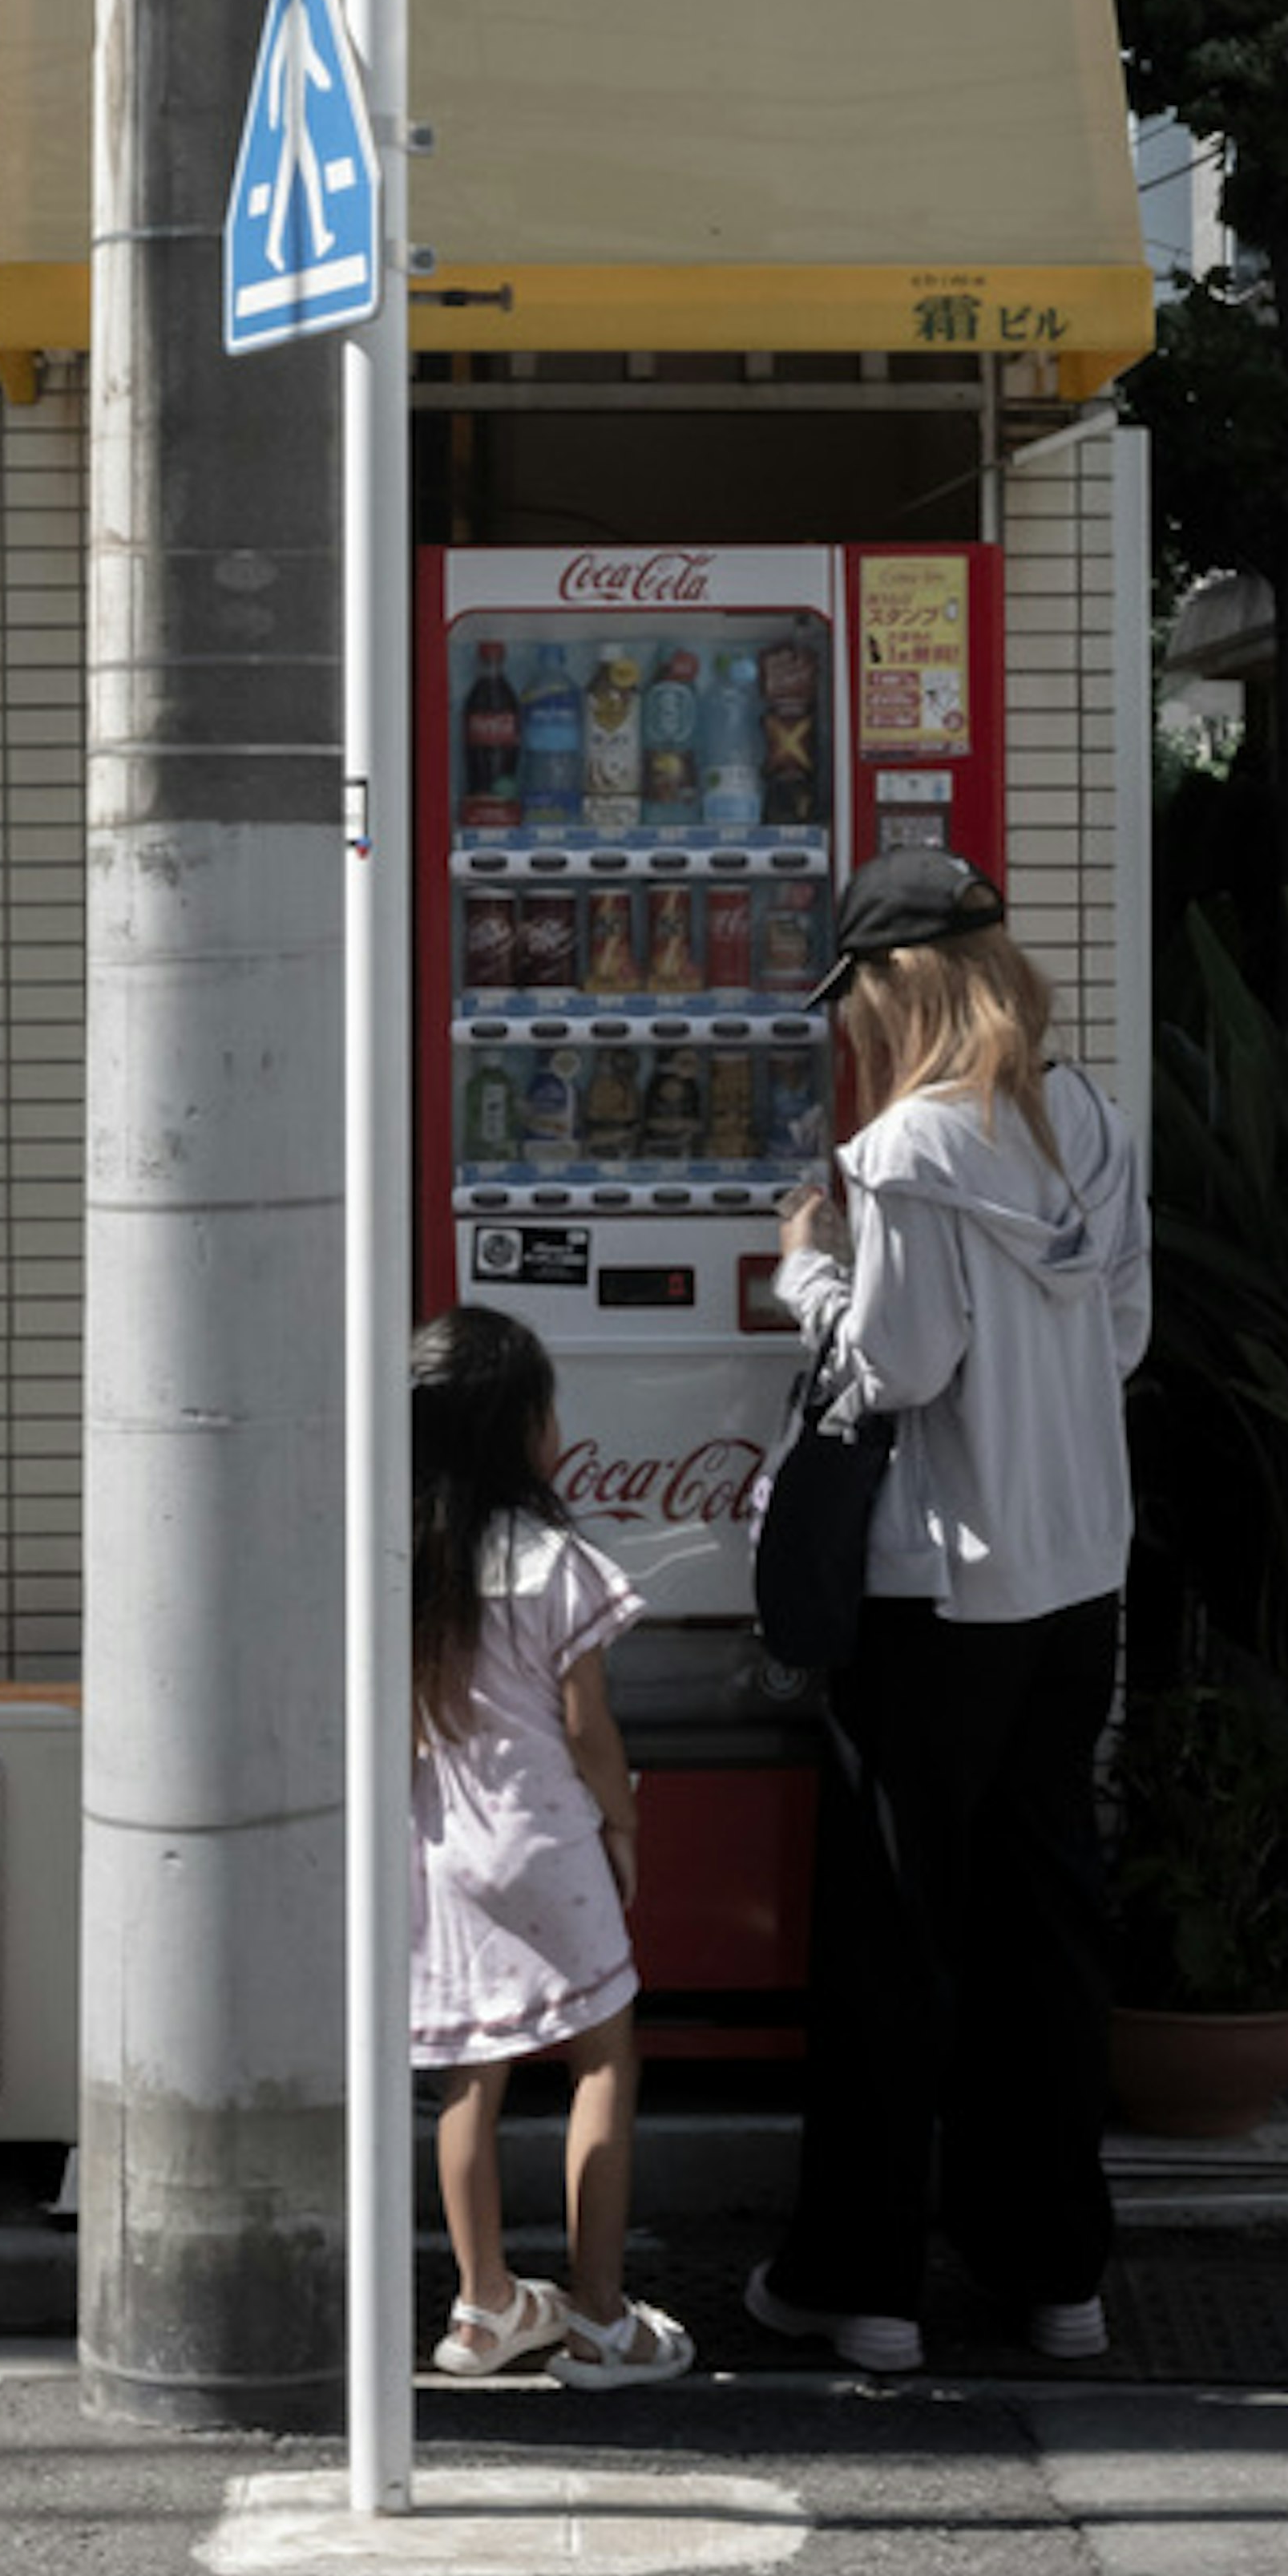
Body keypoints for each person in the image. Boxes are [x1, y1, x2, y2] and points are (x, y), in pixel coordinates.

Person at [745, 848, 1151, 2377]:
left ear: (895, 988)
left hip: (936, 1591)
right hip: (1075, 1580)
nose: (848, 1021)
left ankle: (866, 2290)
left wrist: (805, 1280)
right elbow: (1123, 1333)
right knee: (1049, 1922)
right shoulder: (1087, 1116)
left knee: (892, 1942)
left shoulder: (903, 1153)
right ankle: (1056, 2275)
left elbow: (897, 1369)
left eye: (854, 993)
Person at [410, 1300, 696, 2388]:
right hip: (548, 1844)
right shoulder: (550, 1560)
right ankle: (601, 2319)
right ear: (517, 1429)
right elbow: (588, 1724)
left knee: (470, 2078)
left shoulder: (402, 1560)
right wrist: (622, 1818)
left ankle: (484, 2310)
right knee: (600, 2057)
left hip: (442, 1849)